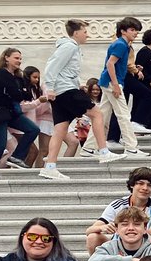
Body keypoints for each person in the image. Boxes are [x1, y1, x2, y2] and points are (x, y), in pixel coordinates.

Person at [39, 20, 123, 180]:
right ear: (76, 33)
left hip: (62, 90)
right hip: (64, 90)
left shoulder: (72, 48)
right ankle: (103, 151)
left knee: (60, 129)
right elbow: (52, 66)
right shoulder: (69, 46)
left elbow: (68, 70)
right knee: (97, 114)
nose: (87, 35)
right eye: (85, 32)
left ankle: (50, 166)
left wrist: (78, 85)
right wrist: (49, 87)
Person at [81, 16, 148, 159]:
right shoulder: (121, 45)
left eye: (137, 30)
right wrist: (116, 85)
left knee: (103, 117)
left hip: (109, 82)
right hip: (113, 83)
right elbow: (110, 64)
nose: (135, 33)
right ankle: (131, 147)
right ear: (123, 31)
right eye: (132, 30)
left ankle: (88, 148)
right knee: (124, 115)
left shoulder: (122, 44)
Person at [0, 47, 39, 178]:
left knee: (33, 129)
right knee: (0, 144)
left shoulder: (18, 76)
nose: (19, 61)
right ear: (6, 58)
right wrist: (22, 93)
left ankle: (16, 157)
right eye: (16, 58)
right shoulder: (1, 73)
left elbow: (25, 94)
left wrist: (22, 92)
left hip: (11, 112)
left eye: (20, 58)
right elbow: (18, 94)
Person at [84, 166, 151, 254]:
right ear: (132, 185)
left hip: (145, 247)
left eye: (149, 185)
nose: (145, 188)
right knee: (93, 237)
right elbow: (89, 230)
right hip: (118, 246)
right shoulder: (118, 204)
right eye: (140, 183)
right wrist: (103, 227)